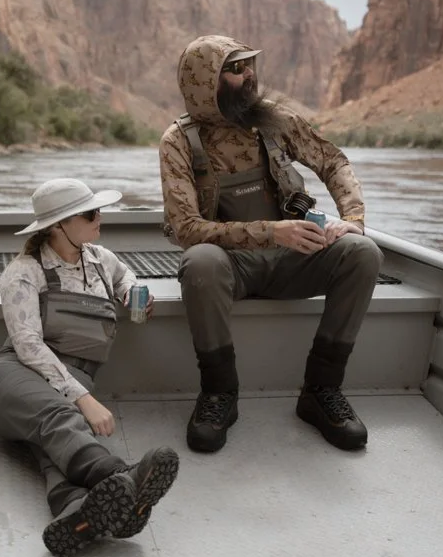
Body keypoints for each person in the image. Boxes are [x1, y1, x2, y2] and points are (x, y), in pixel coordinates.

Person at [160, 35, 383, 453]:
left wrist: (353, 220)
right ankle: (219, 394)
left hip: (292, 261)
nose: (249, 76)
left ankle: (321, 391)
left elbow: (333, 161)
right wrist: (272, 231)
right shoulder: (178, 142)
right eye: (236, 69)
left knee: (363, 254)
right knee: (200, 264)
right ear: (206, 82)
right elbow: (187, 228)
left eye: (250, 66)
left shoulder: (276, 121)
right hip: (230, 267)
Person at [0, 177, 180, 557]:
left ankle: (74, 513)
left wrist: (132, 294)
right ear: (58, 226)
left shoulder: (100, 259)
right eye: (89, 214)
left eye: (98, 210)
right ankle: (121, 475)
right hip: (12, 377)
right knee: (60, 415)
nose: (99, 218)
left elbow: (126, 276)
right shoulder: (24, 271)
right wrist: (83, 398)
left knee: (54, 446)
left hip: (69, 386)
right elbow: (28, 345)